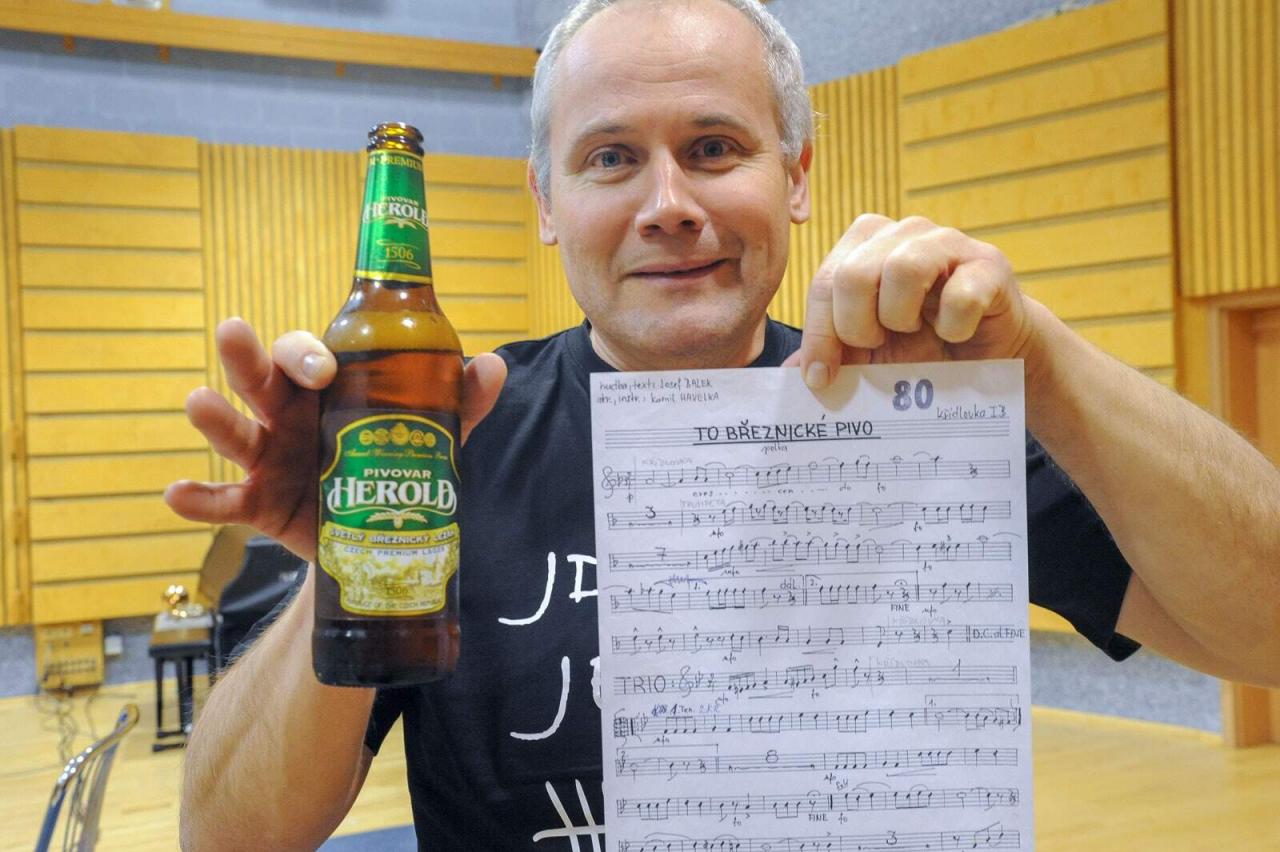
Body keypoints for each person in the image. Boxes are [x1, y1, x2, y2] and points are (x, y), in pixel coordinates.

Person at [165, 0, 1280, 847]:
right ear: (547, 204)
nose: (668, 206)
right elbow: (227, 837)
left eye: (712, 147)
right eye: (610, 158)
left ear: (795, 176)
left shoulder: (914, 418)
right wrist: (347, 564)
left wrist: (1044, 362)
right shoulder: (447, 445)